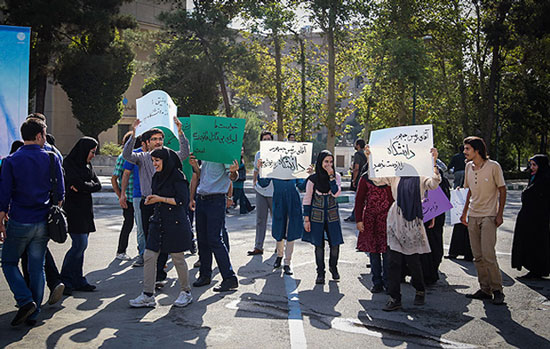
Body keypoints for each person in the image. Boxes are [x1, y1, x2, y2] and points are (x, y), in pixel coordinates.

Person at [0, 118, 65, 326]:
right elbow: (60, 193)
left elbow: (4, 194)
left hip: (19, 219)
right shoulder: (51, 158)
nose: (45, 138)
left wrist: (1, 220)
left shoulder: (10, 160)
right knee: (37, 267)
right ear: (39, 136)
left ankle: (24, 300)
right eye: (45, 134)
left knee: (9, 262)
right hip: (43, 219)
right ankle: (34, 311)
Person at [366, 145, 441, 311]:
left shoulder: (421, 176)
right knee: (393, 260)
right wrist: (370, 157)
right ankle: (394, 298)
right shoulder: (394, 176)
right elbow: (376, 178)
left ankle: (420, 289)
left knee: (413, 260)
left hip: (412, 220)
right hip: (395, 219)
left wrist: (433, 162)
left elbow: (434, 184)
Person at [123, 117, 190, 285]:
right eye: (154, 139)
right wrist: (133, 135)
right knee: (150, 240)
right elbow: (126, 155)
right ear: (147, 142)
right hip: (146, 203)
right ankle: (152, 277)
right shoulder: (143, 157)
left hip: (165, 204)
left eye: (160, 139)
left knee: (165, 240)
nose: (158, 142)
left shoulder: (169, 156)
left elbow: (184, 153)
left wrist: (180, 133)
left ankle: (160, 274)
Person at [129, 147, 194, 308]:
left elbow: (181, 201)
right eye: (152, 161)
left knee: (178, 258)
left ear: (166, 160)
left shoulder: (178, 177)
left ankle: (186, 292)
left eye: (157, 161)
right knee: (149, 256)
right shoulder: (156, 176)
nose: (154, 164)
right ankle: (148, 295)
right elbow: (157, 196)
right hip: (158, 221)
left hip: (175, 222)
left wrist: (160, 198)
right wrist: (152, 199)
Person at [460, 136, 507, 305]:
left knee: (488, 255)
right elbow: (468, 193)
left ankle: (497, 290)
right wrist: (464, 213)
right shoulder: (468, 167)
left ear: (477, 150)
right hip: (473, 215)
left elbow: (502, 190)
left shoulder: (494, 166)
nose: (464, 152)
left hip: (489, 215)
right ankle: (484, 289)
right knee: (477, 256)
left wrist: (499, 214)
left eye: (467, 149)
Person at [189, 156, 240, 292]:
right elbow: (202, 175)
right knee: (202, 239)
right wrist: (195, 166)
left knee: (214, 239)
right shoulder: (206, 151)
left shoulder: (222, 151)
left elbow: (232, 176)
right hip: (202, 198)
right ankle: (205, 275)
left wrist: (234, 172)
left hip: (216, 199)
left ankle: (229, 278)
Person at [60, 137, 102, 296]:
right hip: (73, 210)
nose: (93, 155)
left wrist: (85, 186)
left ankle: (78, 279)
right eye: (92, 152)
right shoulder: (68, 163)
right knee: (79, 244)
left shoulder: (87, 164)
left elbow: (96, 185)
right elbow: (75, 184)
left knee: (82, 246)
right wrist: (85, 185)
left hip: (85, 210)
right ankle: (65, 279)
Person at [257, 159, 304, 276]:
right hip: (279, 201)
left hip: (293, 201)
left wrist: (309, 175)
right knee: (279, 229)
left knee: (291, 230)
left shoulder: (295, 169)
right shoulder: (274, 169)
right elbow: (263, 183)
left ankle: (287, 262)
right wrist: (260, 169)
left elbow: (302, 185)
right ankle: (279, 255)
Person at [303, 150, 343, 284]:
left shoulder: (336, 176)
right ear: (320, 162)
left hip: (332, 214)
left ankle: (334, 267)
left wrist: (331, 176)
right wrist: (306, 218)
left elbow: (336, 193)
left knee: (335, 244)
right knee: (318, 245)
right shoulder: (313, 179)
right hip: (316, 215)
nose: (328, 164)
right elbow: (307, 198)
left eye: (331, 162)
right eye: (326, 162)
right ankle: (320, 272)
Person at [355, 162, 393, 293]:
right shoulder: (366, 177)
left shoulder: (391, 176)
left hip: (388, 219)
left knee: (387, 252)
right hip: (370, 219)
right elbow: (359, 199)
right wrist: (359, 219)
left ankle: (388, 282)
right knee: (373, 251)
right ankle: (377, 282)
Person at [511, 154, 550, 279]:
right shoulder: (535, 177)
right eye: (531, 165)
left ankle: (537, 269)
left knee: (537, 243)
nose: (532, 168)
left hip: (538, 218)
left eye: (534, 165)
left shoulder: (545, 179)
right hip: (529, 215)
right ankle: (532, 268)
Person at [420, 164, 451, 285]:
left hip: (432, 214)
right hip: (430, 214)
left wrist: (433, 215)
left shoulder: (433, 170)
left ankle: (428, 273)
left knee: (431, 243)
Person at [121, 136, 147, 267]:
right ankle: (142, 254)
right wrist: (122, 194)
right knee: (141, 227)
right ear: (144, 142)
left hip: (157, 196)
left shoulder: (162, 153)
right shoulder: (135, 154)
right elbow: (125, 173)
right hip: (138, 196)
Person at [247, 131, 275, 256]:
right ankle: (258, 246)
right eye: (264, 139)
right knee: (260, 220)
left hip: (274, 192)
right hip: (260, 191)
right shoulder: (258, 154)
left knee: (277, 220)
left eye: (269, 139)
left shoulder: (276, 154)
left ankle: (279, 245)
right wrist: (254, 182)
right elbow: (256, 170)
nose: (266, 141)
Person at [112, 132, 135, 261]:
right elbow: (114, 178)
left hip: (138, 196)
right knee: (128, 224)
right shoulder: (123, 157)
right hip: (129, 198)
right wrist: (120, 195)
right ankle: (121, 251)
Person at [345, 139, 367, 222]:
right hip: (366, 178)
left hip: (359, 179)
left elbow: (356, 168)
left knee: (358, 198)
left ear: (358, 145)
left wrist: (354, 180)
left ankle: (355, 216)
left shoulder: (357, 154)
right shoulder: (366, 154)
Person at [233, 148, 255, 214]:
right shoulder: (237, 158)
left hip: (241, 179)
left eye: (243, 150)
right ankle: (228, 205)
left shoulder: (241, 158)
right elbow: (236, 167)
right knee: (237, 195)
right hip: (237, 180)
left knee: (242, 195)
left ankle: (246, 208)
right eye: (240, 150)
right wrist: (243, 164)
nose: (242, 152)